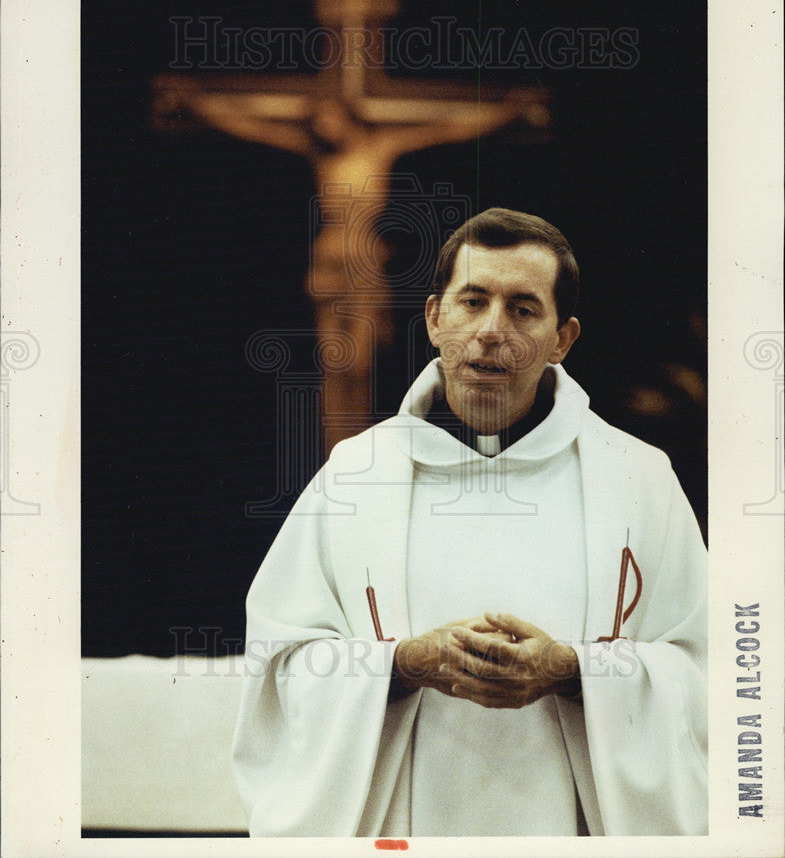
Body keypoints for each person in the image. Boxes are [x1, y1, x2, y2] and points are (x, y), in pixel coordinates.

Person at [232, 208, 707, 837]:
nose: (491, 331)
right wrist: (401, 664)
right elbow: (280, 669)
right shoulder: (355, 475)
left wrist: (571, 671)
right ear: (435, 318)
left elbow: (707, 673)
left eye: (522, 309)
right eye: (473, 301)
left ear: (562, 339)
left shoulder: (640, 479)